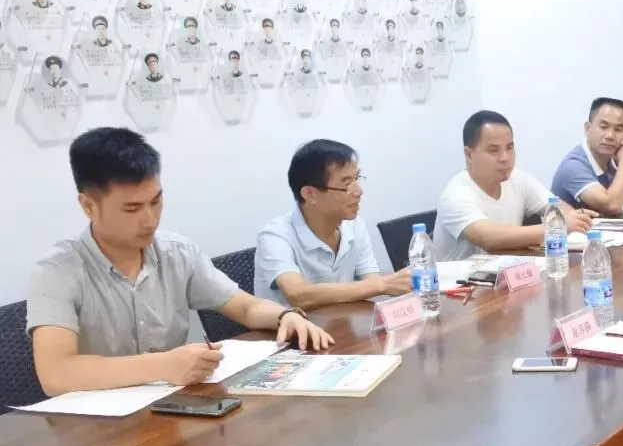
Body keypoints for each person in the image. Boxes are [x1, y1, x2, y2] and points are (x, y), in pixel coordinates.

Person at [26, 128, 332, 396]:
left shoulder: (176, 252)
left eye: (156, 201)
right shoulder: (58, 271)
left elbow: (245, 308)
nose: (150, 219)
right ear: (88, 206)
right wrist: (163, 365)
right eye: (132, 209)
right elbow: (56, 374)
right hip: (92, 430)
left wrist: (285, 316)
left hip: (169, 413)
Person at [255, 140, 411, 310]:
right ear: (310, 194)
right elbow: (299, 295)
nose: (359, 192)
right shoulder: (275, 235)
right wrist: (383, 284)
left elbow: (371, 283)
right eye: (347, 184)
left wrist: (386, 285)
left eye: (357, 179)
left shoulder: (355, 226)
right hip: (290, 326)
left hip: (343, 323)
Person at [433, 110, 595, 261]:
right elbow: (488, 237)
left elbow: (556, 206)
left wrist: (571, 217)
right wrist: (558, 226)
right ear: (469, 154)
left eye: (509, 148)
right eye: (493, 150)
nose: (505, 158)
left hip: (505, 273)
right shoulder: (455, 195)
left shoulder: (516, 178)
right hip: (458, 281)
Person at [550, 97, 623, 214]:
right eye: (603, 127)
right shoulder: (573, 165)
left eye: (618, 129)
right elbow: (611, 206)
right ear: (588, 128)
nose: (610, 136)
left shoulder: (614, 159)